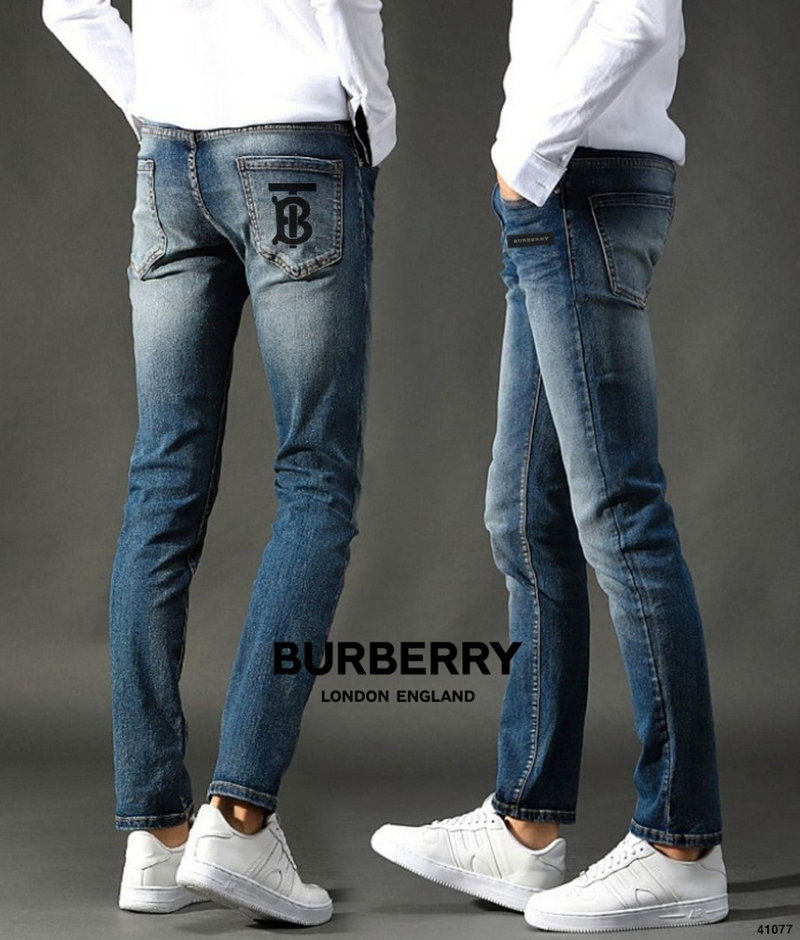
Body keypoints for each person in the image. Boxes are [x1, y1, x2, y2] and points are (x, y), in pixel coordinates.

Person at [371, 0, 728, 932]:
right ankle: (524, 828)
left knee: (621, 513)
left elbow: (637, 16)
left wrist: (528, 154)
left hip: (578, 183)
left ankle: (682, 844)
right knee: (526, 516)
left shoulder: (558, 163)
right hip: (558, 189)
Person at [43, 0, 395, 926]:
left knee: (161, 483)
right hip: (298, 143)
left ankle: (156, 838)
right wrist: (371, 112)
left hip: (170, 153)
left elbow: (67, 4)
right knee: (316, 480)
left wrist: (158, 100)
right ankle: (238, 819)